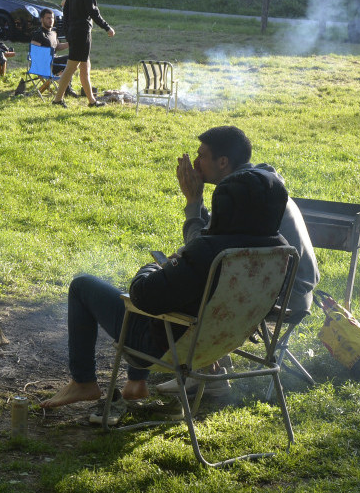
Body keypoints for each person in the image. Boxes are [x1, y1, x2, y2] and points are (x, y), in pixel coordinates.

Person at [39, 168, 291, 412]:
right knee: (165, 300)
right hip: (219, 344)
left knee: (82, 285)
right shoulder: (279, 251)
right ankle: (136, 383)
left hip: (168, 349)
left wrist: (153, 268)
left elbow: (143, 296)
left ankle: (83, 382)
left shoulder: (209, 252)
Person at [158, 125, 319, 397]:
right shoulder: (258, 184)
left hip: (283, 296)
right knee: (203, 273)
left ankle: (203, 369)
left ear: (223, 162)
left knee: (191, 280)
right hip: (289, 287)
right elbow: (213, 240)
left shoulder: (246, 193)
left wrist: (193, 202)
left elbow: (201, 254)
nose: (195, 163)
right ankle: (211, 368)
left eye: (202, 156)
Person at [52, 0, 114, 108]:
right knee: (71, 67)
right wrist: (107, 27)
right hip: (81, 33)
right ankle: (57, 100)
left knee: (85, 67)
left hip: (74, 32)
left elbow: (65, 9)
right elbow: (94, 12)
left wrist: (67, 32)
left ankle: (92, 101)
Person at [28, 8, 75, 96]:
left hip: (53, 62)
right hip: (44, 66)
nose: (51, 20)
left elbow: (57, 46)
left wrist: (71, 43)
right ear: (42, 19)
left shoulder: (53, 32)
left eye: (52, 18)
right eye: (48, 18)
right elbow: (34, 54)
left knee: (73, 58)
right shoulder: (38, 34)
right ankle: (66, 88)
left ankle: (66, 87)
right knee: (71, 59)